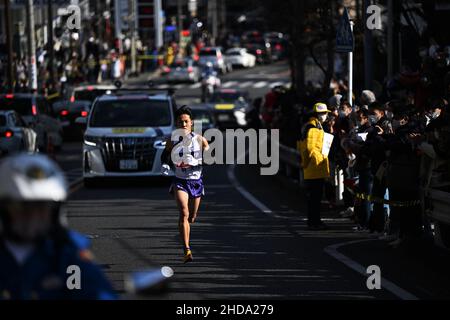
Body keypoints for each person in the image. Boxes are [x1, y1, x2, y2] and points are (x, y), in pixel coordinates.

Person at [0, 154, 116, 300]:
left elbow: (94, 293)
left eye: (42, 208)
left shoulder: (68, 255)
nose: (33, 218)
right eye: (23, 208)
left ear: (55, 212)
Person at [161, 106, 209, 263]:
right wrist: (165, 165)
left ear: (191, 123)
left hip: (196, 181)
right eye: (180, 122)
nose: (183, 125)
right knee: (184, 212)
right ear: (176, 123)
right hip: (180, 181)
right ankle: (186, 249)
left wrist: (201, 160)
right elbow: (165, 154)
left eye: (186, 121)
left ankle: (188, 226)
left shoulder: (200, 139)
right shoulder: (173, 139)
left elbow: (209, 155)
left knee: (192, 217)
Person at [298, 103, 332, 230]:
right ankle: (314, 222)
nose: (325, 115)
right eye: (323, 113)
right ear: (316, 115)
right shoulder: (312, 128)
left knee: (315, 198)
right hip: (315, 168)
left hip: (315, 168)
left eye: (325, 113)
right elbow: (310, 148)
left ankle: (315, 221)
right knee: (315, 198)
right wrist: (319, 161)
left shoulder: (316, 126)